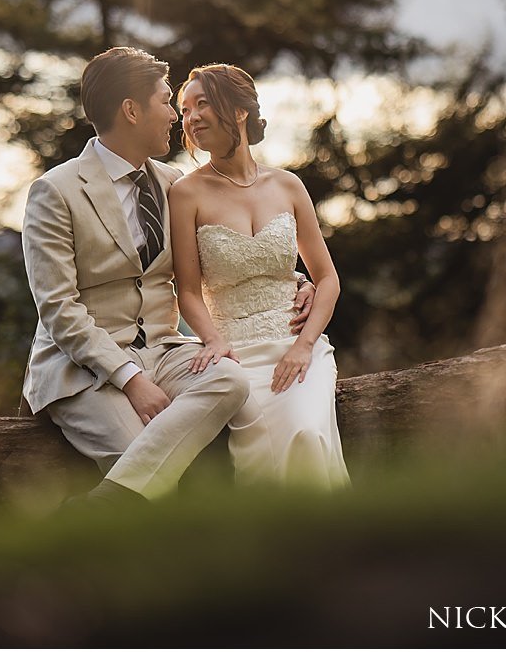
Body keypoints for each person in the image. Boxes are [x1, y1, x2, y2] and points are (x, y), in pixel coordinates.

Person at [20, 47, 314, 503]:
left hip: (165, 351)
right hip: (83, 367)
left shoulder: (175, 183)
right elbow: (58, 309)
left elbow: (223, 258)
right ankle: (111, 508)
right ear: (131, 110)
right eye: (164, 102)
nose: (176, 117)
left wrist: (297, 282)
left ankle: (105, 505)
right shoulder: (54, 191)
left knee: (230, 380)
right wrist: (131, 381)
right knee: (139, 457)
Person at [169, 63, 350, 490]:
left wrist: (305, 346)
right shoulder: (185, 193)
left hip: (297, 347)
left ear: (239, 111)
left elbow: (327, 279)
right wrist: (214, 340)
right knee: (267, 452)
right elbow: (188, 291)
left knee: (306, 431)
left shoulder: (287, 185)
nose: (191, 118)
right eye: (184, 109)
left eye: (202, 104)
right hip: (235, 358)